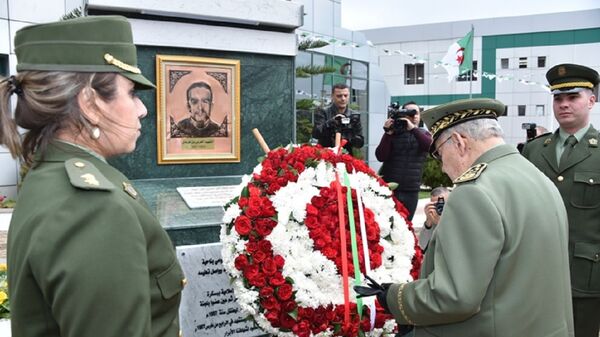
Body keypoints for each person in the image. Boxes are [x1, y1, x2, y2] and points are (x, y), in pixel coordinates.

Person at [1, 16, 184, 337]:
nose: (141, 109)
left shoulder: (50, 176)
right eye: (131, 92)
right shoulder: (94, 209)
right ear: (91, 102)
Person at [356, 98, 573, 336]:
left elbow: (455, 296)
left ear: (459, 142)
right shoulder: (537, 177)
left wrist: (396, 298)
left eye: (439, 154)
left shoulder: (474, 192)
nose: (442, 167)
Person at [522, 63, 600, 337]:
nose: (564, 105)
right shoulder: (533, 150)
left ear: (591, 100)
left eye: (573, 97)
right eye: (558, 98)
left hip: (585, 274)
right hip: (534, 270)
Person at [375, 101, 432, 220]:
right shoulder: (393, 134)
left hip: (411, 189)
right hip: (390, 188)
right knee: (387, 223)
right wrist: (388, 133)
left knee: (407, 224)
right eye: (410, 113)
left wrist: (413, 129)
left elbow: (429, 147)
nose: (414, 116)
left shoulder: (423, 134)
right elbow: (381, 156)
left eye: (416, 113)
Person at [311, 83, 364, 156]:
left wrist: (351, 136)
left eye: (346, 95)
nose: (343, 99)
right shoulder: (323, 112)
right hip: (325, 155)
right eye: (339, 96)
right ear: (332, 96)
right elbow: (316, 134)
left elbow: (360, 144)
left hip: (346, 156)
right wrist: (330, 123)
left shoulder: (354, 116)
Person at [418, 186, 449, 252]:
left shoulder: (457, 217)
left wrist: (440, 224)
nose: (440, 208)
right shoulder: (432, 218)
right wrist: (428, 222)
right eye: (436, 204)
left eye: (443, 204)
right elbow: (422, 246)